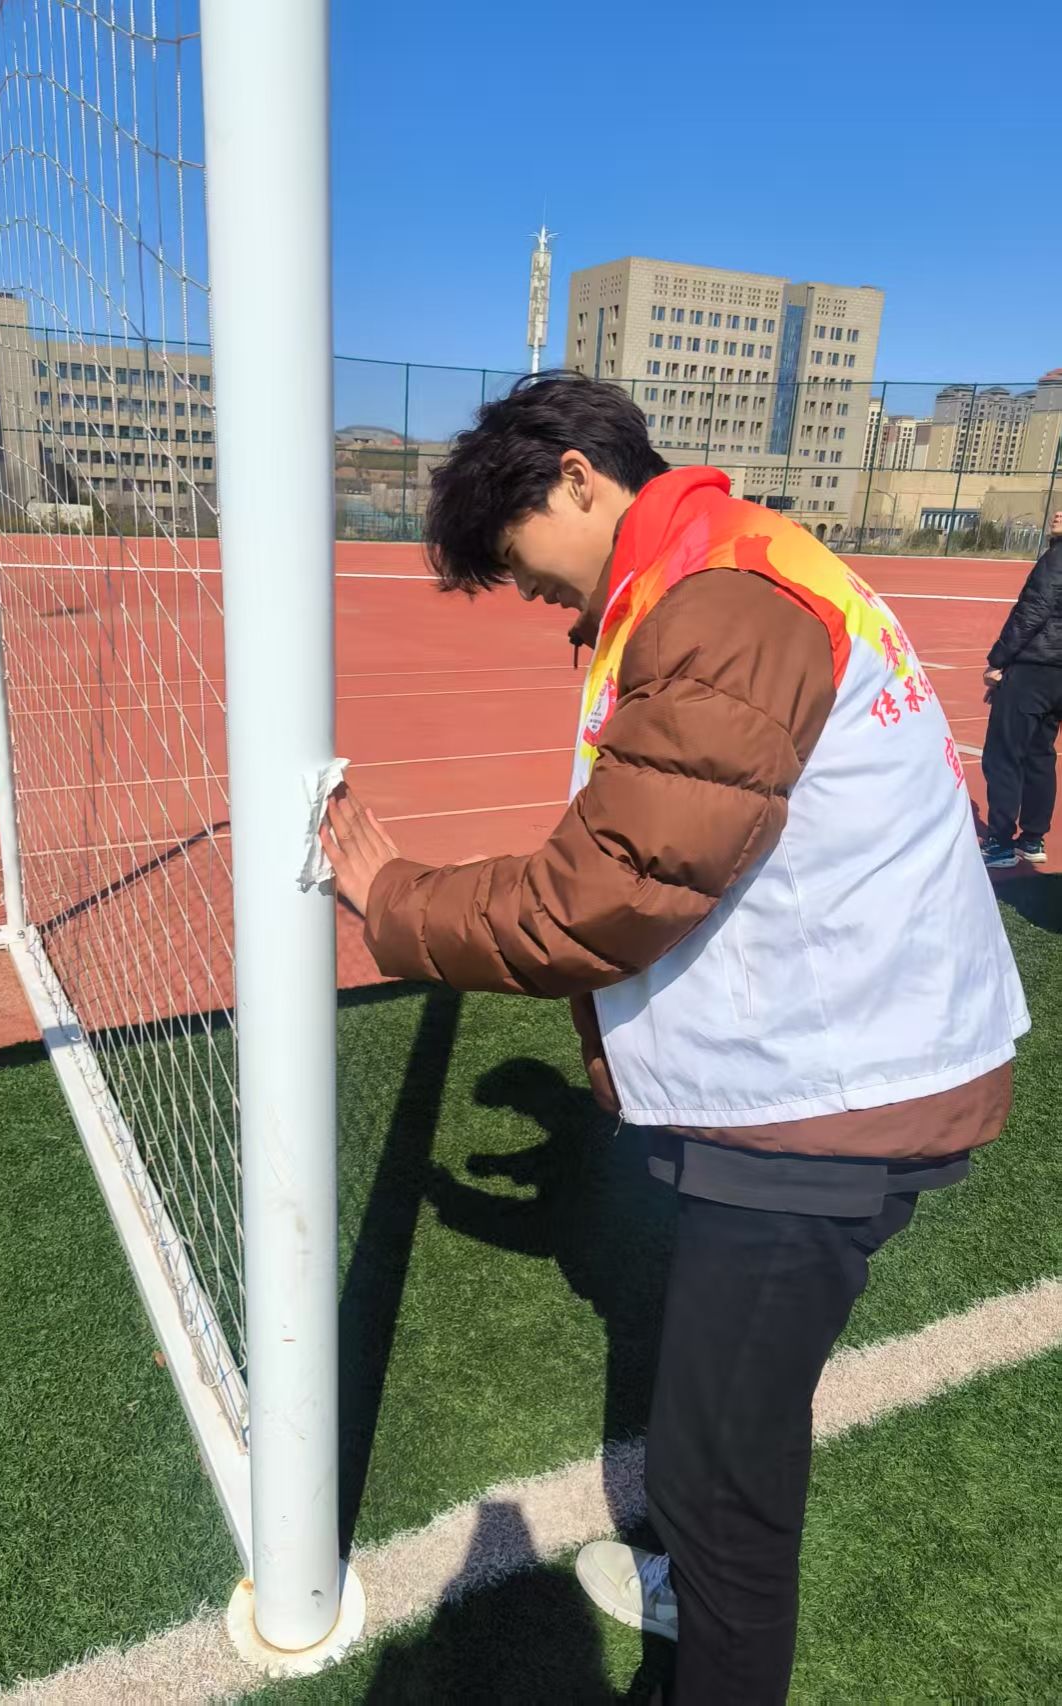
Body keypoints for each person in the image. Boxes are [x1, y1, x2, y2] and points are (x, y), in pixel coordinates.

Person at [321, 373, 1028, 1705]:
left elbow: (608, 892)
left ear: (577, 476)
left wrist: (393, 898)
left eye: (520, 556)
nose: (531, 592)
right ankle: (701, 1598)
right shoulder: (708, 571)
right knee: (719, 1443)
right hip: (825, 1071)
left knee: (718, 1479)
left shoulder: (722, 603)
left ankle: (716, 1636)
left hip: (828, 1099)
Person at [980, 511, 1062, 868]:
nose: (1058, 513)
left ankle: (999, 842)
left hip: (1033, 669)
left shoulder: (1056, 560)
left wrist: (998, 660)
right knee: (1040, 754)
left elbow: (1032, 613)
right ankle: (1032, 838)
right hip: (1057, 677)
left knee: (1004, 755)